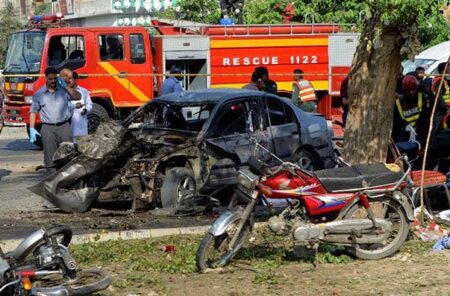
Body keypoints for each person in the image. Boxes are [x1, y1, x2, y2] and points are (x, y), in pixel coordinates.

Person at [29, 67, 82, 174]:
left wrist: (67, 87)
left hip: (64, 127)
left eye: (54, 78)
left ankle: (67, 181)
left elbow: (77, 96)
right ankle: (53, 182)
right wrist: (31, 128)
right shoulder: (39, 94)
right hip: (48, 129)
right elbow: (33, 112)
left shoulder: (63, 90)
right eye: (50, 79)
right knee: (50, 157)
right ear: (46, 78)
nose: (53, 81)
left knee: (68, 154)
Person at [392, 75, 447, 146]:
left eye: (413, 89)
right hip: (408, 134)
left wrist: (417, 127)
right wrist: (406, 126)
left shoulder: (422, 96)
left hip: (423, 131)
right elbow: (398, 119)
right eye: (409, 90)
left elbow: (426, 114)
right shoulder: (398, 103)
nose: (411, 92)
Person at [60, 69, 93, 138]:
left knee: (82, 145)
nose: (70, 81)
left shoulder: (84, 91)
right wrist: (74, 106)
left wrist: (86, 110)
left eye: (71, 79)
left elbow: (89, 104)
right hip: (67, 125)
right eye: (68, 79)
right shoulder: (62, 91)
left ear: (76, 79)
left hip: (81, 125)